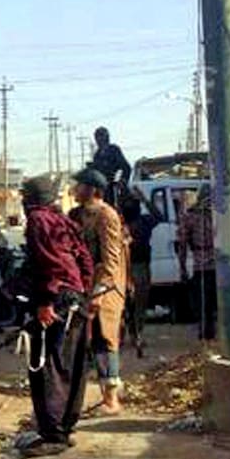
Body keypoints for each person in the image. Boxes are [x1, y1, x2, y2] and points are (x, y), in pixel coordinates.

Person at [19, 176, 94, 457]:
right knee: (72, 365)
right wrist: (83, 291)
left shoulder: (39, 219)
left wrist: (46, 301)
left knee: (48, 366)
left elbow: (47, 263)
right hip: (75, 297)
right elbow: (85, 260)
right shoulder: (64, 221)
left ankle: (53, 435)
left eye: (26, 196)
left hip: (57, 300)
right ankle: (66, 427)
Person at [71, 168, 128, 416]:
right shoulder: (76, 214)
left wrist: (99, 292)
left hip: (105, 288)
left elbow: (111, 260)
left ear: (92, 189)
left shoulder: (106, 216)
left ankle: (111, 399)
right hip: (83, 286)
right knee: (84, 341)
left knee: (105, 339)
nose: (75, 190)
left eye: (80, 185)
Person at [177, 185, 216, 341]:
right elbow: (183, 244)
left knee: (203, 304)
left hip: (202, 264)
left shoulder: (191, 216)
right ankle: (208, 332)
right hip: (211, 265)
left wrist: (182, 268)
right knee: (208, 304)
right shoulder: (219, 214)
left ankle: (206, 332)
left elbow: (182, 244)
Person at [122, 196, 158, 357]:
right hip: (140, 267)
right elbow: (158, 214)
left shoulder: (121, 225)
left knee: (126, 305)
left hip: (123, 269)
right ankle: (137, 335)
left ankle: (129, 334)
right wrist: (144, 198)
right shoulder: (144, 222)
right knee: (139, 305)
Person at [89, 126, 131, 206]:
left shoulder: (114, 150)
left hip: (113, 186)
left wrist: (123, 180)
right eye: (97, 137)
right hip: (100, 189)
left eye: (101, 136)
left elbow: (126, 167)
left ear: (106, 137)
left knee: (114, 208)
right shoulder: (97, 155)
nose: (99, 139)